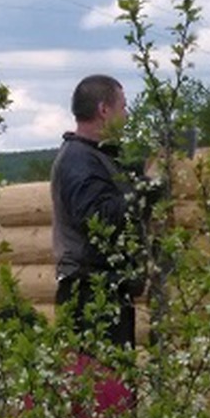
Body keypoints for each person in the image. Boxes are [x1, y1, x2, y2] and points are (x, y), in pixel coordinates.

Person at [50, 74, 148, 350]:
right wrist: (144, 193)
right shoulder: (78, 161)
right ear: (104, 110)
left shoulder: (98, 156)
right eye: (123, 107)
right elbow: (98, 220)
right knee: (102, 386)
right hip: (90, 296)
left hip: (106, 291)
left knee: (114, 386)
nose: (127, 116)